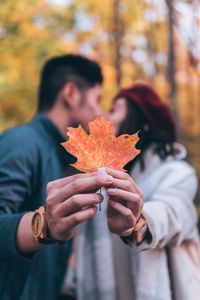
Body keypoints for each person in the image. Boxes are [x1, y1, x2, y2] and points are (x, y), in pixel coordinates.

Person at [0, 55, 144, 300]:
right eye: (97, 100)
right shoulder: (22, 142)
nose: (99, 112)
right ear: (71, 93)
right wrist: (44, 225)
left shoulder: (59, 158)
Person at [75, 82, 200, 300]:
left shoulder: (177, 172)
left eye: (115, 109)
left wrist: (137, 223)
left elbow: (172, 211)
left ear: (143, 122)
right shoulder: (102, 181)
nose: (107, 117)